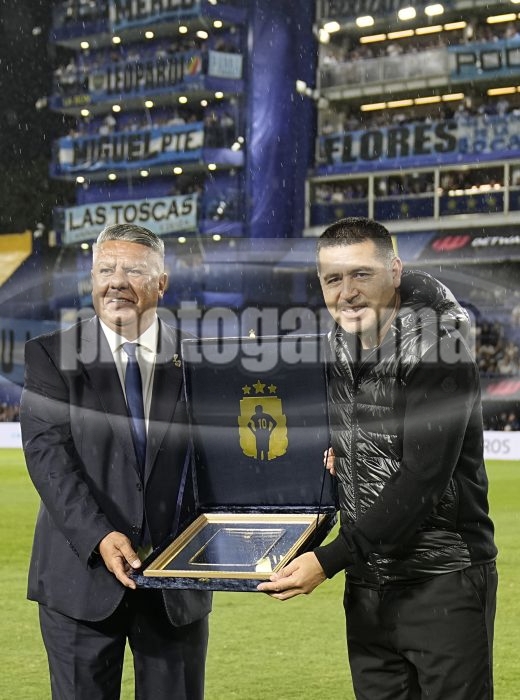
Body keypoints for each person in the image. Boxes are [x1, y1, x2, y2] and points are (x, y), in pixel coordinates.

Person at [258, 217, 498, 700]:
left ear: (395, 271)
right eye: (332, 279)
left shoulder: (439, 347)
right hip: (368, 584)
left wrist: (329, 559)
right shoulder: (337, 342)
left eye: (360, 274)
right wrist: (340, 453)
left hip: (440, 580)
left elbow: (422, 480)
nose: (346, 292)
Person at [20, 223, 212, 700]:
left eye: (134, 271)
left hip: (174, 584)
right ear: (91, 279)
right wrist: (99, 535)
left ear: (162, 283)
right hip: (79, 579)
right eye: (106, 270)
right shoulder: (51, 355)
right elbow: (48, 458)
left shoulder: (201, 358)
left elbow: (227, 456)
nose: (117, 282)